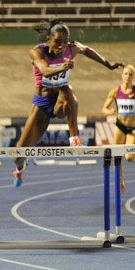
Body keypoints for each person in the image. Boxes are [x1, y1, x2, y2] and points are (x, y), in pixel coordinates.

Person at [12, 19, 124, 187]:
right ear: (48, 39)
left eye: (64, 42)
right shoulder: (37, 52)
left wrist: (108, 64)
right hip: (42, 103)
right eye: (57, 42)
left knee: (66, 89)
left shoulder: (71, 49)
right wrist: (62, 67)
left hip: (61, 102)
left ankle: (74, 137)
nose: (61, 47)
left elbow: (88, 50)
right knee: (18, 153)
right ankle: (20, 169)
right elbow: (44, 70)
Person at [101, 64, 135, 194]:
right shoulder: (116, 91)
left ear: (133, 77)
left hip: (132, 128)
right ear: (122, 75)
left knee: (129, 157)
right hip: (120, 126)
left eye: (130, 74)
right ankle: (120, 181)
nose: (127, 77)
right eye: (126, 74)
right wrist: (108, 111)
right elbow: (103, 109)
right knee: (117, 156)